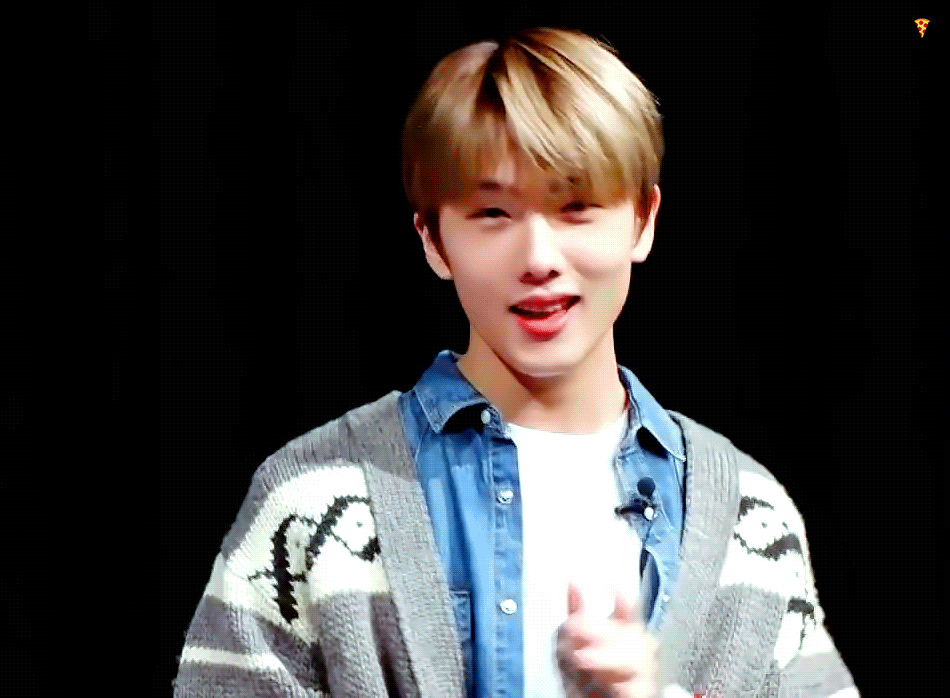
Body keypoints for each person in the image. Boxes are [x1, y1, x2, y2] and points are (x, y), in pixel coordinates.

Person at [173, 27, 859, 698]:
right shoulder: (313, 496)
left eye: (576, 206)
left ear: (643, 219)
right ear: (433, 238)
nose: (537, 258)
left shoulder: (751, 518)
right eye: (493, 213)